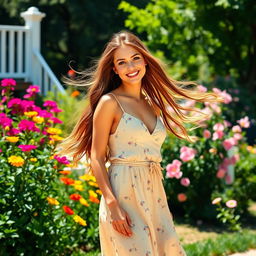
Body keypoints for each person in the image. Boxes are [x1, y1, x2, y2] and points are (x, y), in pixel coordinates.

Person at [58, 30, 223, 255]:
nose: (131, 67)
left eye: (135, 58)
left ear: (145, 60)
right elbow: (96, 157)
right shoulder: (110, 103)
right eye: (122, 62)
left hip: (154, 192)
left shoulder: (152, 103)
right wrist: (112, 205)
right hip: (123, 193)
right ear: (114, 69)